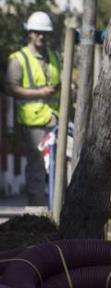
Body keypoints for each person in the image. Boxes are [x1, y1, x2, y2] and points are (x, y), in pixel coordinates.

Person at [5, 12, 60, 206]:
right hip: (31, 123)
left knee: (58, 166)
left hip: (55, 120)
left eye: (44, 32)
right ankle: (37, 212)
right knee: (37, 167)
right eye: (37, 32)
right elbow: (10, 88)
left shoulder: (55, 57)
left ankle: (58, 210)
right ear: (29, 33)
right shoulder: (18, 59)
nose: (41, 36)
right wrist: (40, 93)